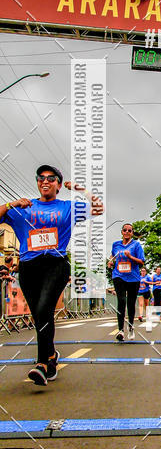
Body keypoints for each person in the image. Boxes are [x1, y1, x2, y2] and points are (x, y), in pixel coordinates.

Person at [0, 164, 103, 385]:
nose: (45, 181)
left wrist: (78, 188)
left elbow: (98, 208)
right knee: (39, 316)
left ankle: (43, 364)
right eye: (41, 178)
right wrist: (11, 203)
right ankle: (51, 355)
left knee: (45, 308)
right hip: (28, 267)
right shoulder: (24, 208)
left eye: (51, 178)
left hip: (55, 264)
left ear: (58, 184)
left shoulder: (67, 207)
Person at [107, 223, 145, 341]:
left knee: (131, 303)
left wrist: (130, 257)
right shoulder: (116, 245)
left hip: (133, 278)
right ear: (122, 232)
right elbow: (113, 256)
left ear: (132, 233)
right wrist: (110, 262)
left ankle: (131, 327)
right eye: (125, 230)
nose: (127, 232)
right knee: (121, 301)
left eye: (129, 230)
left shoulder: (136, 245)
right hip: (119, 276)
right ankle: (120, 330)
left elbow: (141, 262)